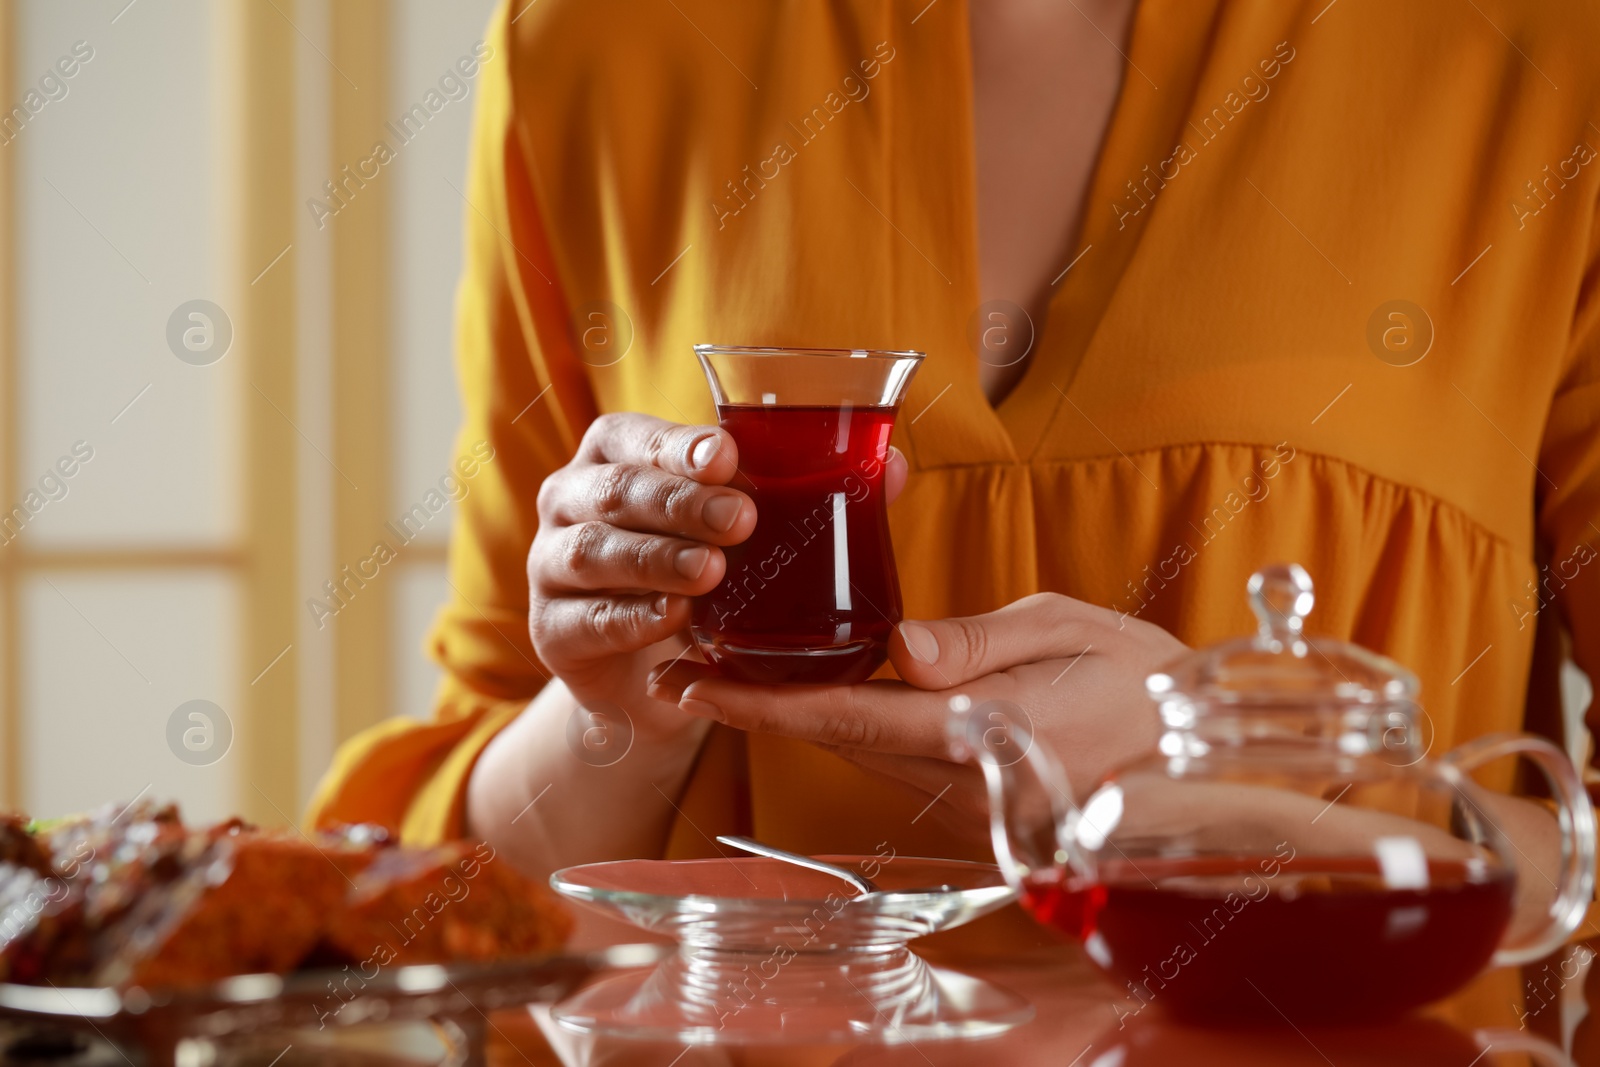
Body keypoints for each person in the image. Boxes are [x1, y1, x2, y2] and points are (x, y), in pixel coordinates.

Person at [307, 0, 1599, 936]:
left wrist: (1245, 808)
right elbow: (471, 894)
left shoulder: (1545, 52)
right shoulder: (594, 43)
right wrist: (612, 718)